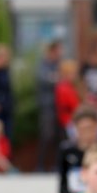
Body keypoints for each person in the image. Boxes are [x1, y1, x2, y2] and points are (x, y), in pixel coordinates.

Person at [58, 105, 97, 193]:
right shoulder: (67, 150)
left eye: (90, 128)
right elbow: (62, 182)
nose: (87, 133)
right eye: (83, 129)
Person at [35, 40, 63, 171]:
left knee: (59, 136)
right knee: (47, 135)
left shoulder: (58, 65)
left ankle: (57, 165)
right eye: (58, 51)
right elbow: (45, 79)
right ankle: (40, 165)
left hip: (60, 105)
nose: (60, 53)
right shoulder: (43, 64)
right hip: (47, 105)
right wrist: (57, 78)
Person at [54, 59, 82, 140]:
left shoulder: (67, 85)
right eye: (73, 73)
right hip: (69, 122)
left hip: (69, 120)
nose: (75, 76)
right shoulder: (64, 88)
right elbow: (75, 106)